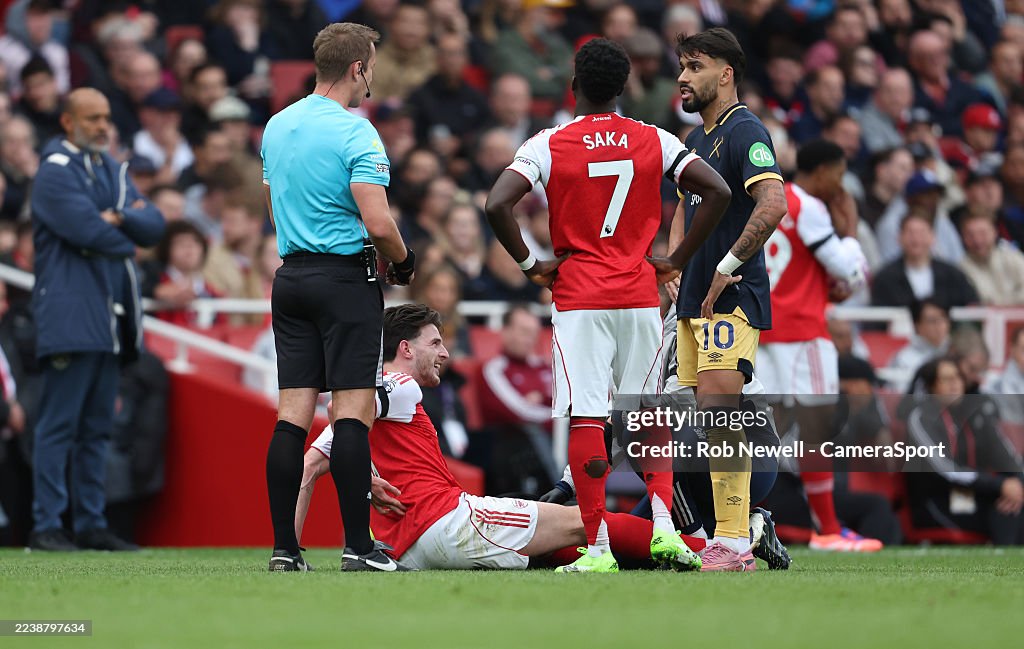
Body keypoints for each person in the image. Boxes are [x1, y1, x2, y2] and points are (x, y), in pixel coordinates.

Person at [485, 37, 731, 573]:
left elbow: (498, 203)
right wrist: (675, 259)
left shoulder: (549, 143)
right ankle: (665, 526)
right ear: (623, 88)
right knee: (646, 412)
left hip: (579, 294)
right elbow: (717, 192)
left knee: (589, 416)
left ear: (574, 85)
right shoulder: (655, 139)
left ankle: (596, 547)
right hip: (640, 293)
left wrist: (532, 266)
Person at [296, 304, 702, 572]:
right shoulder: (400, 385)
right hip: (446, 520)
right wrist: (365, 477)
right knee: (587, 521)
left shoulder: (368, 409)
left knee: (546, 549)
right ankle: (712, 553)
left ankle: (671, 555)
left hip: (406, 549)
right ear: (404, 347)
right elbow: (342, 408)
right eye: (434, 342)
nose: (444, 353)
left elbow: (309, 468)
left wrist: (289, 548)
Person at [260, 22, 416, 573]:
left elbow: (277, 210)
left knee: (291, 417)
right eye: (371, 62)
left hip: (292, 276)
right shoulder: (357, 132)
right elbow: (378, 219)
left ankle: (285, 550)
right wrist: (402, 260)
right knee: (351, 412)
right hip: (345, 279)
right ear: (358, 68)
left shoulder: (277, 126)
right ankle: (357, 547)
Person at [671, 28, 789, 571]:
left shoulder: (747, 131)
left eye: (695, 66)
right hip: (694, 298)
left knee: (720, 415)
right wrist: (675, 263)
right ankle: (744, 529)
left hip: (731, 296)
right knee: (706, 422)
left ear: (726, 73)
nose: (682, 77)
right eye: (681, 66)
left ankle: (735, 542)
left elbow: (774, 202)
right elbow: (683, 208)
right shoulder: (695, 142)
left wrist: (725, 265)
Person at [29, 87, 164, 551]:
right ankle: (47, 524)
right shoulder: (54, 170)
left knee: (97, 428)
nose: (103, 126)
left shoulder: (110, 167)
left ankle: (90, 523)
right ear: (68, 122)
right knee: (59, 425)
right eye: (92, 118)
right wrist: (119, 230)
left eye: (106, 117)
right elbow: (90, 231)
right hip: (70, 315)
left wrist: (116, 218)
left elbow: (154, 225)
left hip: (108, 320)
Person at [756, 139, 881, 552]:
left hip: (761, 330)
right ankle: (827, 529)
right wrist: (851, 235)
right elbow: (848, 270)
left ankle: (738, 527)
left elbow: (824, 279)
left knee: (757, 432)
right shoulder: (808, 205)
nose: (841, 185)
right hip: (802, 333)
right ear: (822, 171)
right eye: (839, 175)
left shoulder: (769, 198)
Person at [903, 358, 1024, 545]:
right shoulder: (921, 418)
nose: (954, 384)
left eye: (958, 378)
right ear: (931, 387)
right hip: (938, 501)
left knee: (1013, 501)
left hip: (973, 495)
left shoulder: (974, 413)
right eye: (946, 379)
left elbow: (1005, 454)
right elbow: (946, 470)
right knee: (1005, 508)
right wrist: (1000, 486)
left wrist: (1016, 482)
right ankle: (1006, 560)